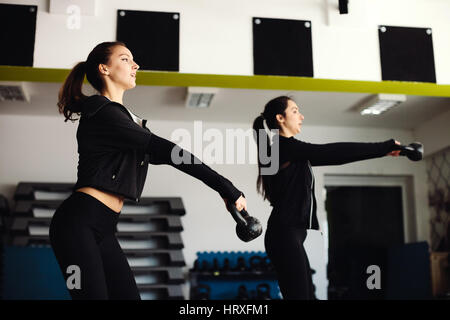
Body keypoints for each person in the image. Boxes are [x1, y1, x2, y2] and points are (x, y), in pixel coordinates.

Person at [50, 41, 247, 300]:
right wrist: (225, 186)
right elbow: (169, 151)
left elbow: (171, 157)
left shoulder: (125, 120)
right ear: (104, 68)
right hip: (77, 224)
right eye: (124, 59)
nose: (135, 65)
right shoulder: (102, 112)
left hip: (105, 227)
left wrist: (222, 190)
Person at [252, 96, 401, 300]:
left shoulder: (288, 150)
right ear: (280, 118)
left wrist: (383, 152)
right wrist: (384, 146)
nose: (301, 116)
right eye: (295, 111)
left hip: (289, 234)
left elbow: (337, 155)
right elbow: (334, 152)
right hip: (284, 235)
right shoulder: (285, 147)